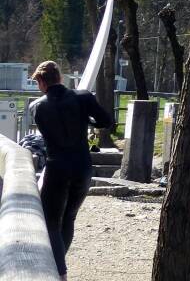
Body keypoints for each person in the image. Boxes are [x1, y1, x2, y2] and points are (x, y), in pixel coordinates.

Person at [27, 61, 113, 280]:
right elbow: (107, 121)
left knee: (51, 222)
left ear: (41, 82)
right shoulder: (83, 97)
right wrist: (88, 119)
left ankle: (59, 272)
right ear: (60, 78)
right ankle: (59, 269)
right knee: (69, 219)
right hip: (83, 167)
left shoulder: (36, 107)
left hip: (57, 168)